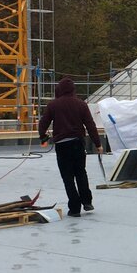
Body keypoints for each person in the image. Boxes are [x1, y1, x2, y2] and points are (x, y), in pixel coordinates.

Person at [38, 77, 100, 216]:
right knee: (81, 173)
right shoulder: (81, 104)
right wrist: (98, 144)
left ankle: (74, 208)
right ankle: (87, 202)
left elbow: (43, 124)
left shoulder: (53, 105)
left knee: (68, 177)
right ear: (73, 90)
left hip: (62, 145)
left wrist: (43, 137)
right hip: (78, 143)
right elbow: (90, 125)